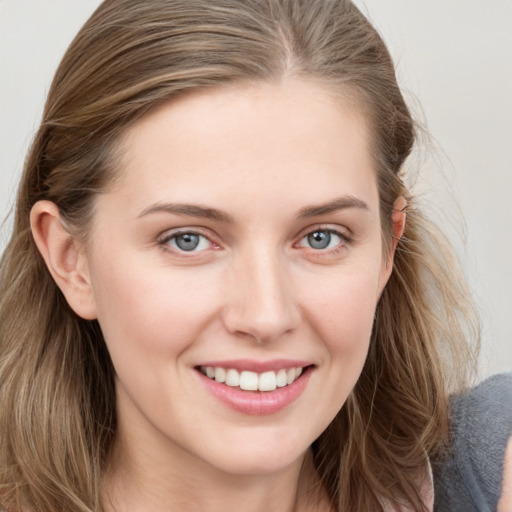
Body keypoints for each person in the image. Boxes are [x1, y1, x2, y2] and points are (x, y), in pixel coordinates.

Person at [0, 1, 510, 511]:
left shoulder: (490, 471)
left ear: (386, 249)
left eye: (321, 237)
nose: (266, 316)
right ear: (72, 261)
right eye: (188, 240)